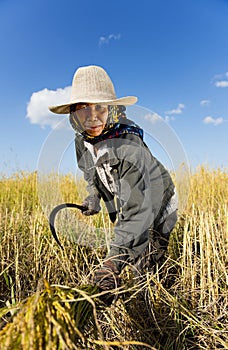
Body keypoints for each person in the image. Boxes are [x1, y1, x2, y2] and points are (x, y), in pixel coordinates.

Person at [49, 65, 178, 301]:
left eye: (100, 107)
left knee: (146, 259)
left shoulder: (130, 148)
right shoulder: (83, 142)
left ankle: (149, 300)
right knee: (129, 243)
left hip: (159, 199)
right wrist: (93, 196)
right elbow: (90, 173)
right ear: (74, 116)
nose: (92, 117)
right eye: (82, 110)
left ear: (113, 110)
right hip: (131, 196)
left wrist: (111, 263)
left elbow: (137, 210)